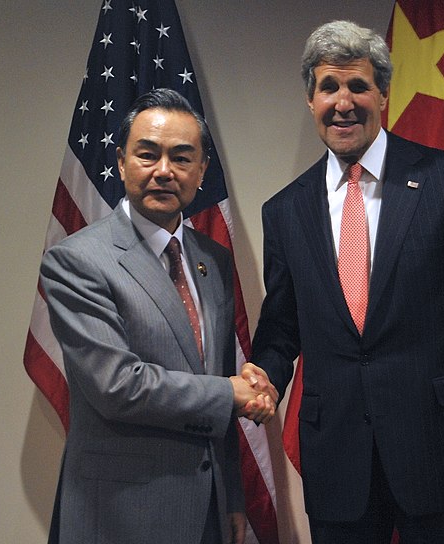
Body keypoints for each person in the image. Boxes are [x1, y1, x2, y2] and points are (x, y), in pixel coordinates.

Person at [251, 21, 444, 543]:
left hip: (440, 456)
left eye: (358, 86)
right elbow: (283, 327)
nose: (343, 102)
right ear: (311, 100)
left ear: (384, 94)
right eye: (329, 87)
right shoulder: (283, 210)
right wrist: (263, 378)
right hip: (337, 463)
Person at [41, 88, 276, 544]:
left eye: (182, 158)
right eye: (147, 155)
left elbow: (218, 377)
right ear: (122, 161)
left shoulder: (214, 260)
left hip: (207, 508)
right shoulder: (77, 261)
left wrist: (231, 498)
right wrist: (231, 392)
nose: (164, 171)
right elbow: (118, 386)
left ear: (202, 170)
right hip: (121, 513)